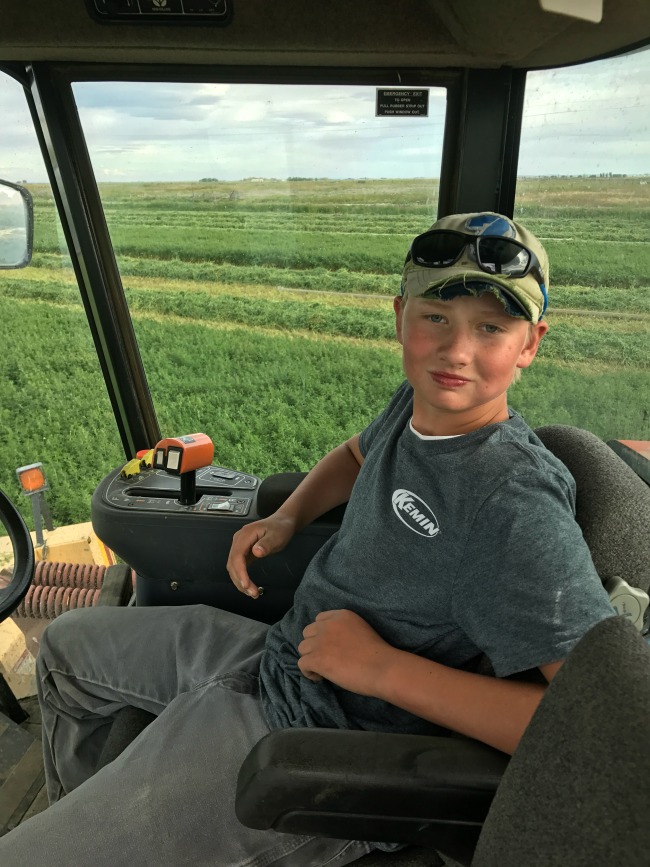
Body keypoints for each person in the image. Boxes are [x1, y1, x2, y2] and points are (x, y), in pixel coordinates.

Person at [0, 212, 615, 866]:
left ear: (530, 344)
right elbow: (354, 455)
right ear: (401, 315)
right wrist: (287, 516)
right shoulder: (416, 405)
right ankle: (94, 823)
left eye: (491, 327)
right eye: (437, 316)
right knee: (65, 647)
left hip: (317, 748)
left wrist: (381, 668)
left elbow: (589, 722)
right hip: (276, 657)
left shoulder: (514, 503)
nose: (457, 350)